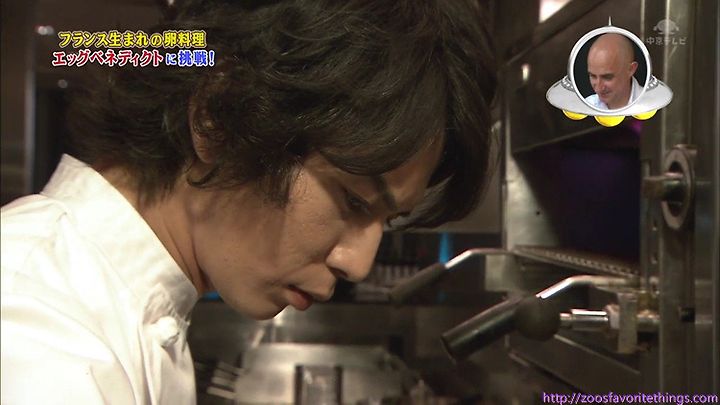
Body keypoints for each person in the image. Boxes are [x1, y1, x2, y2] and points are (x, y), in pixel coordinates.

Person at [0, 0, 497, 403]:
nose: (359, 264)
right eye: (353, 200)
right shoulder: (38, 336)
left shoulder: (133, 304)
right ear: (218, 119)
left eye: (387, 220)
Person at [584, 33, 643, 110]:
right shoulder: (586, 107)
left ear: (631, 69)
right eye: (593, 76)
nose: (598, 88)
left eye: (607, 77)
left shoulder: (652, 104)